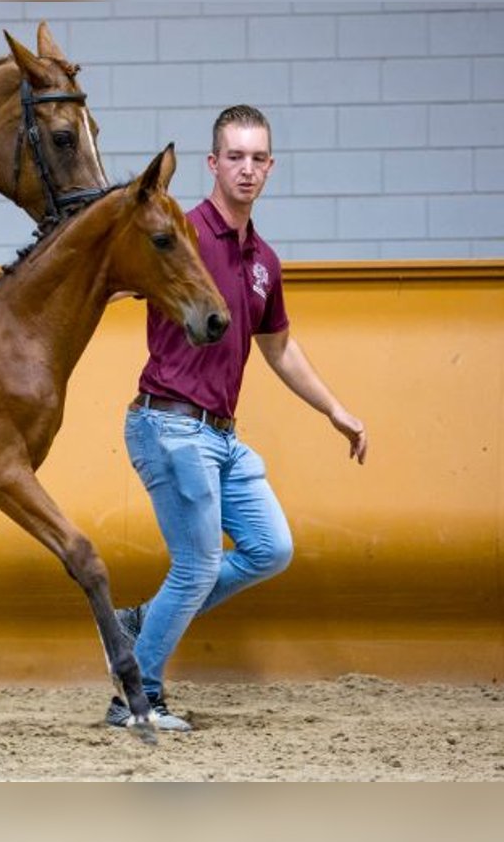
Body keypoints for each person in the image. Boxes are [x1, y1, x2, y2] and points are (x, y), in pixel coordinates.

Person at [106, 104, 369, 732]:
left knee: (270, 548)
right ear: (213, 163)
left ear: (270, 167)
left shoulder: (264, 262)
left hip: (222, 437)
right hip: (168, 424)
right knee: (195, 565)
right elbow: (106, 280)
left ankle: (141, 621)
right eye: (235, 157)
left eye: (258, 159)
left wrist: (336, 409)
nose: (246, 169)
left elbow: (278, 347)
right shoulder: (178, 234)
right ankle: (134, 700)